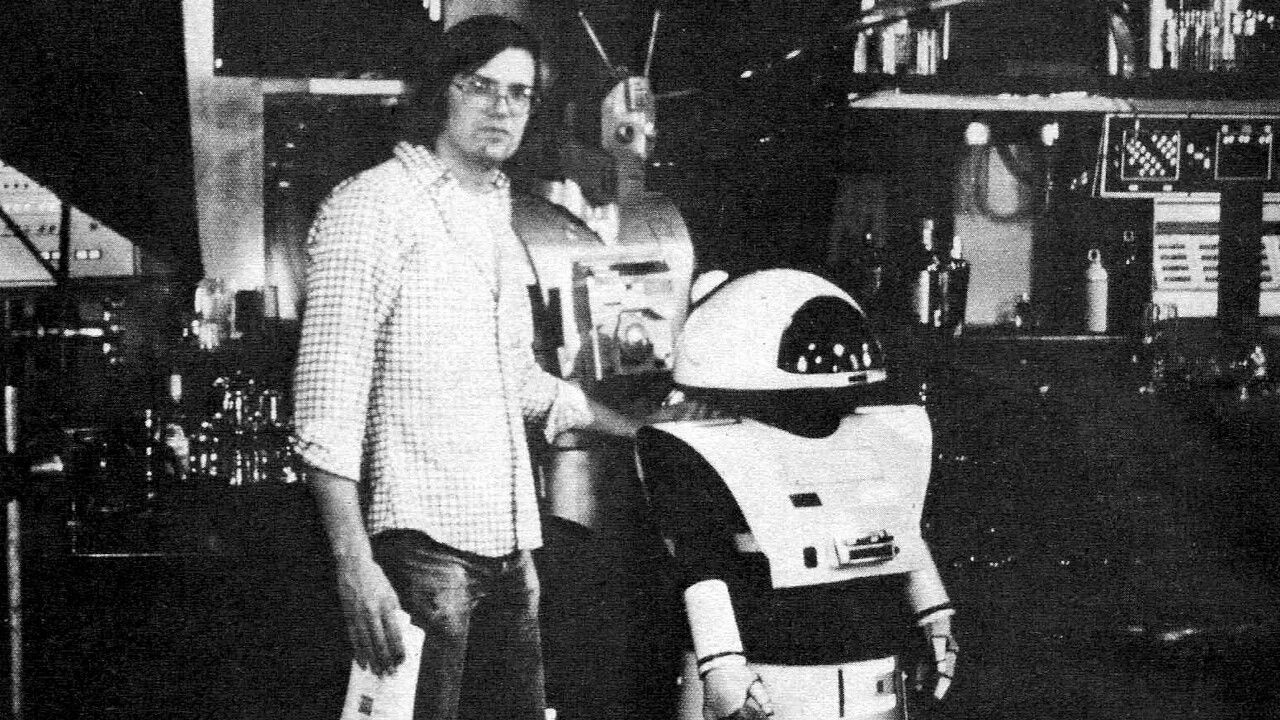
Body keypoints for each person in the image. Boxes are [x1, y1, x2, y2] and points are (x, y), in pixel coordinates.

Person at [290, 15, 646, 720]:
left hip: (512, 553)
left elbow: (518, 383)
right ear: (440, 92)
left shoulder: (494, 215)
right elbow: (325, 410)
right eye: (479, 86)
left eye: (518, 93)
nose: (501, 107)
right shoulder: (372, 206)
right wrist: (354, 566)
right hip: (418, 556)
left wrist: (641, 429)